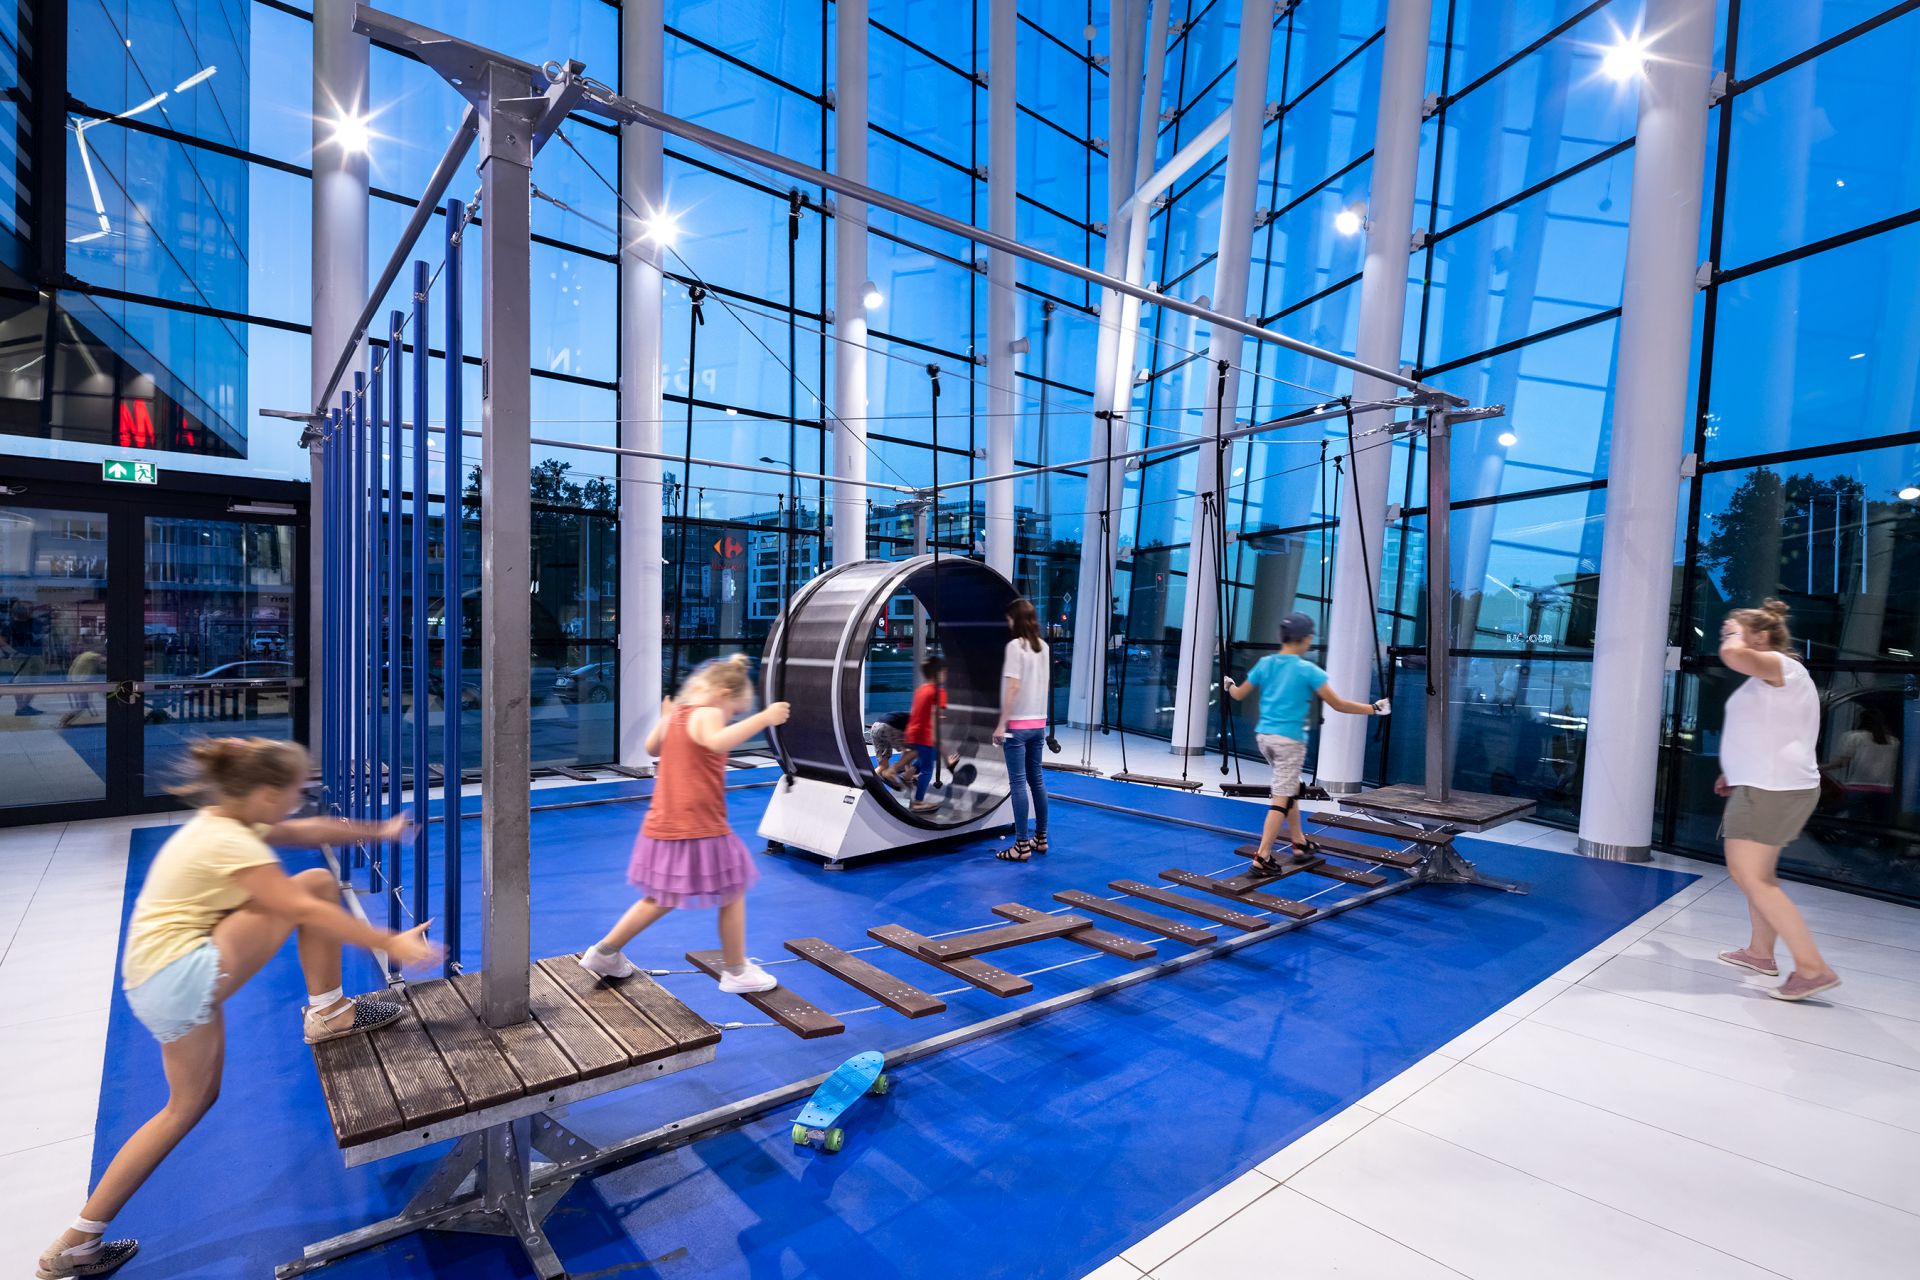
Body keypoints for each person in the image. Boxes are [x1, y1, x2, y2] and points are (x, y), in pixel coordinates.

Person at [37, 738, 437, 1279]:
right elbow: (297, 907)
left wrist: (379, 830)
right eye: (296, 791)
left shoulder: (226, 821)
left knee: (191, 1102)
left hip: (155, 977)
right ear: (268, 794)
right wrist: (391, 943)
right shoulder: (232, 842)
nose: (300, 800)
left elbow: (308, 832)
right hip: (178, 979)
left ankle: (77, 1242)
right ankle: (77, 1239)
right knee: (306, 896)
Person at [580, 655, 789, 994]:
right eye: (733, 710)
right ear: (722, 694)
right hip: (700, 823)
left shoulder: (678, 714)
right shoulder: (708, 713)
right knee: (732, 892)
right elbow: (717, 742)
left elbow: (651, 747)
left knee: (662, 896)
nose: (729, 718)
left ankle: (604, 952)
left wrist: (666, 718)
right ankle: (737, 971)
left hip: (664, 822)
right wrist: (764, 718)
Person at [1713, 599, 1841, 1002]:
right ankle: (1760, 953)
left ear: (1761, 637)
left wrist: (1735, 636)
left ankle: (1812, 968)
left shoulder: (1780, 666)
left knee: (1752, 876)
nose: (1726, 637)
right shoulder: (1771, 678)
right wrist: (1734, 770)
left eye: (1733, 630)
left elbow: (1733, 655)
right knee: (1757, 875)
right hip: (1764, 783)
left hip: (1773, 787)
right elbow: (1767, 731)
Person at [1222, 611, 1388, 874]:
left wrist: (1229, 685)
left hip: (1265, 739)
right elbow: (1338, 704)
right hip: (1289, 743)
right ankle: (1262, 857)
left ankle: (1299, 843)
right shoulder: (1308, 670)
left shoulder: (1267, 663)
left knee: (1292, 787)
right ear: (1306, 639)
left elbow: (1239, 694)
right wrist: (1374, 708)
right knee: (1282, 798)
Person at [992, 599, 1052, 862]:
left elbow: (1013, 688)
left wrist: (1001, 724)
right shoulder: (1044, 648)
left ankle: (1021, 845)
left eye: (1009, 619)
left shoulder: (1015, 647)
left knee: (1018, 783)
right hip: (1038, 724)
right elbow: (1044, 686)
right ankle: (1041, 838)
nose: (1007, 624)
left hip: (1017, 726)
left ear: (1015, 619)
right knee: (1036, 781)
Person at [1830, 706, 1899, 827]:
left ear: (1860, 720)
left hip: (1857, 789)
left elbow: (1840, 763)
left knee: (1854, 826)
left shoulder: (1853, 737)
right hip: (1886, 791)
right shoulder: (1894, 742)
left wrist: (1819, 768)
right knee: (1880, 828)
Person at [905, 657, 948, 814]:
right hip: (925, 735)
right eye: (944, 672)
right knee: (928, 770)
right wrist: (936, 739)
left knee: (931, 756)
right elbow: (935, 715)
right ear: (938, 673)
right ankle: (918, 802)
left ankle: (909, 773)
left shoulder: (921, 689)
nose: (945, 676)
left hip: (913, 732)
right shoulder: (938, 692)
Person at [870, 710, 912, 790]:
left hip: (875, 727)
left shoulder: (906, 716)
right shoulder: (917, 721)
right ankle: (903, 773)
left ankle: (869, 784)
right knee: (912, 750)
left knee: (883, 766)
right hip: (888, 727)